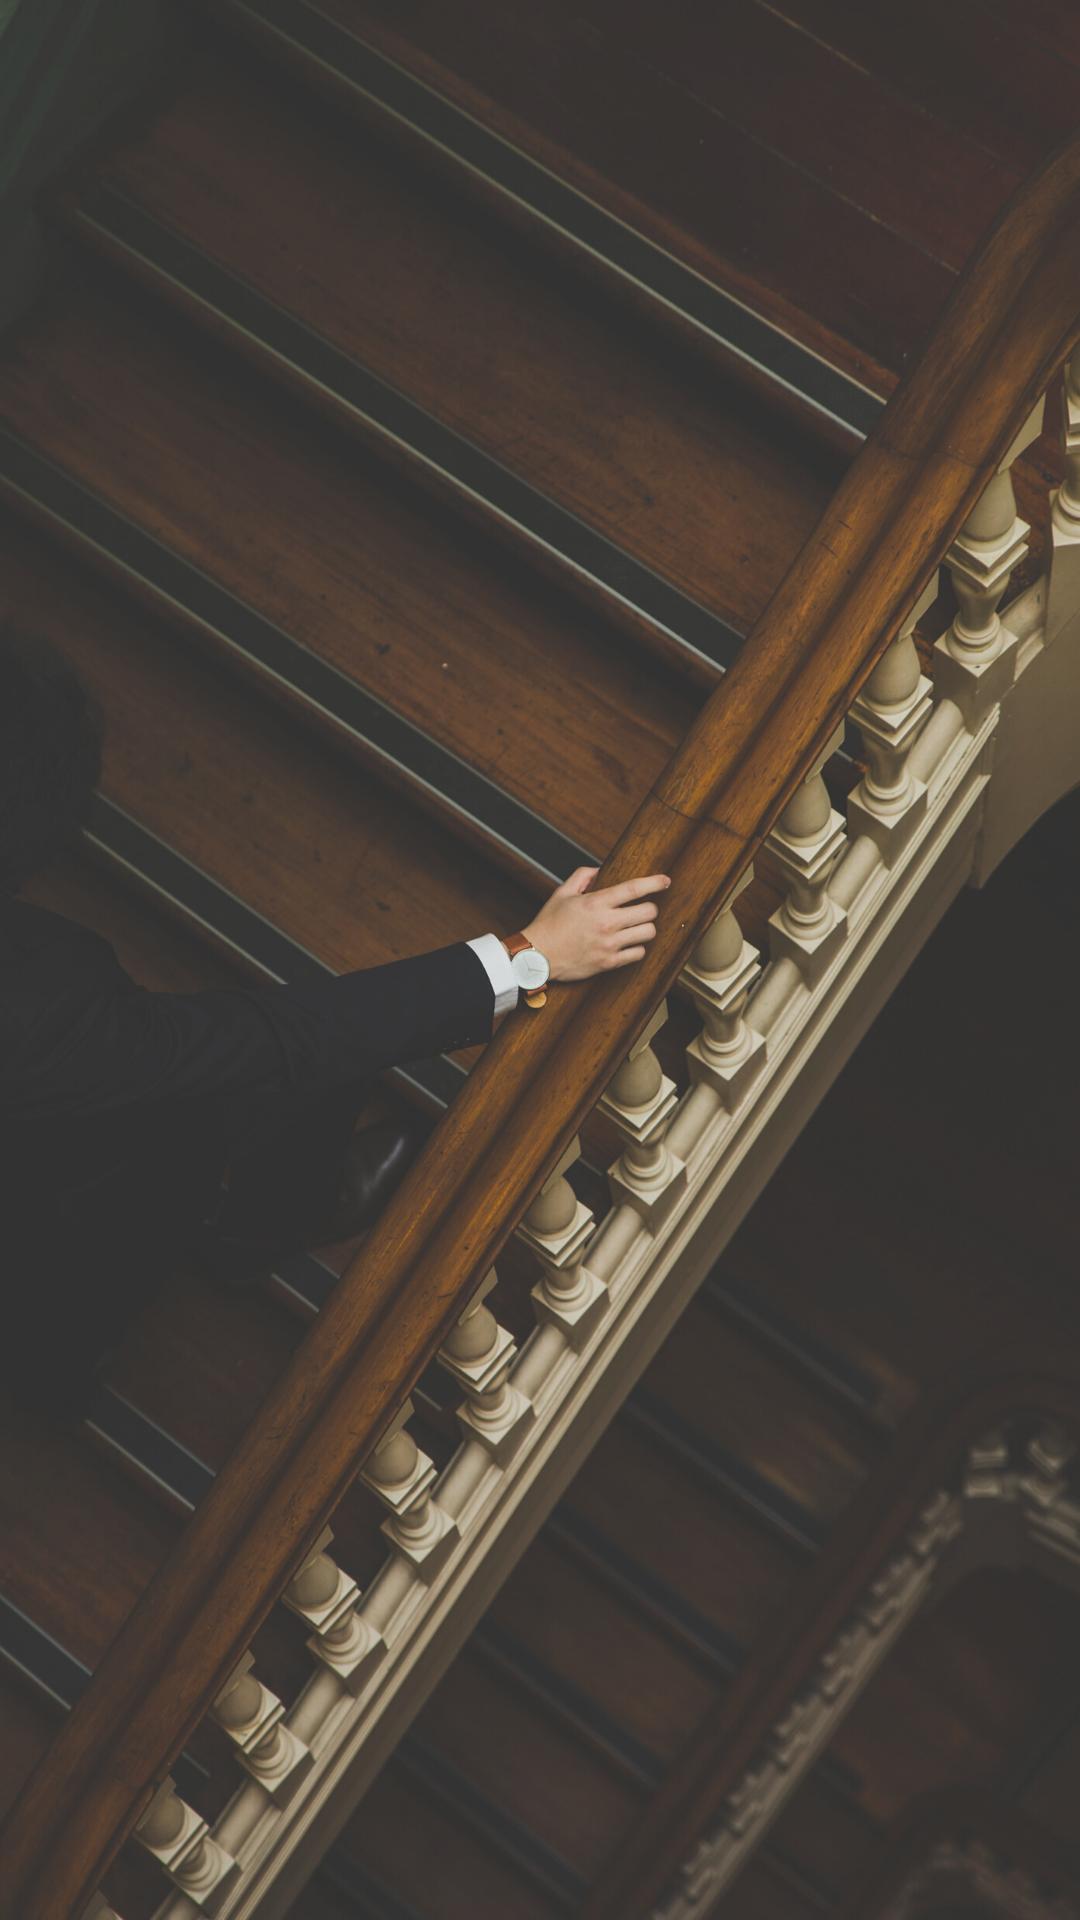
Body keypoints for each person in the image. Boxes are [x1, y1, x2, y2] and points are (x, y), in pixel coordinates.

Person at [0, 622, 670, 1405]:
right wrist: (531, 957)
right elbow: (278, 1038)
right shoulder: (37, 1016)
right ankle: (209, 1263)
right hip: (45, 1251)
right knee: (282, 1080)